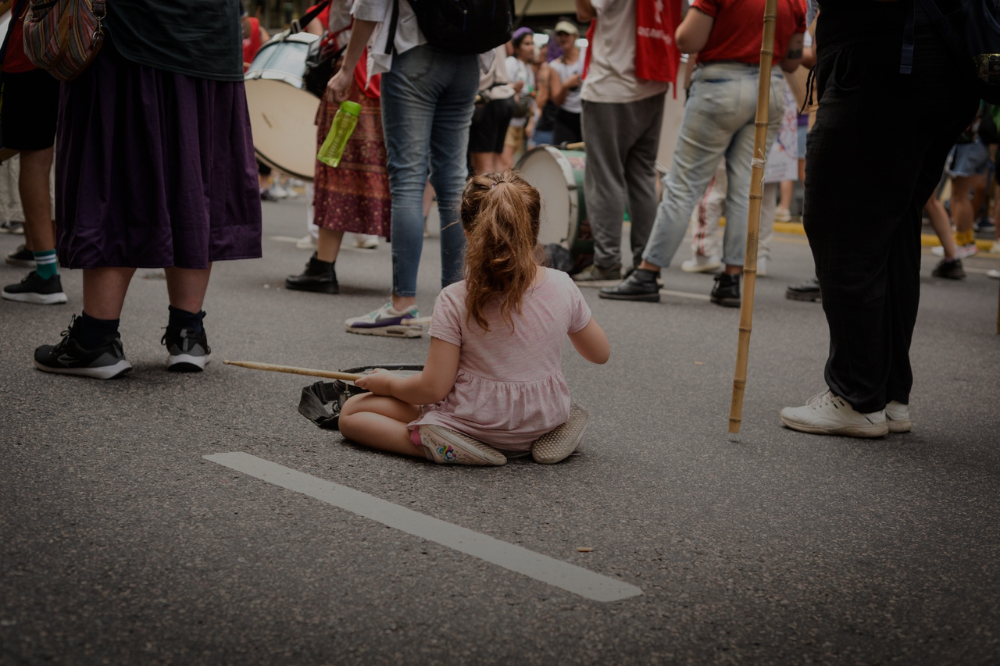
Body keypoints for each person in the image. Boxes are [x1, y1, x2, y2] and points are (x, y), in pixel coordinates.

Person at [778, 1, 979, 437]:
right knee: (892, 223)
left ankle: (856, 395)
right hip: (940, 62)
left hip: (883, 59)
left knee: (842, 222)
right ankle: (887, 393)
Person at [33, 0, 262, 378]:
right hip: (210, 35)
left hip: (130, 34)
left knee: (118, 174)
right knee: (195, 177)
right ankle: (188, 333)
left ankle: (97, 338)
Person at [338, 172, 610, 465]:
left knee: (352, 413)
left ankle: (443, 446)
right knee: (554, 407)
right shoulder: (562, 285)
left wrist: (389, 383)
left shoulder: (456, 298)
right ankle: (557, 429)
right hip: (542, 418)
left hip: (475, 423)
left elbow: (433, 388)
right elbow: (600, 353)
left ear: (468, 233)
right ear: (533, 229)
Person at [599, 0, 805, 306]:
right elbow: (791, 61)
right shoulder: (794, 1)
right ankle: (731, 279)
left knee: (683, 185)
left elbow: (687, 39)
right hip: (770, 87)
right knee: (745, 191)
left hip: (720, 85)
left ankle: (647, 273)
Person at [328, 0, 484, 337]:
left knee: (409, 181)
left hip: (414, 52)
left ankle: (402, 305)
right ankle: (456, 307)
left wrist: (346, 68)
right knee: (453, 181)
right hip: (468, 59)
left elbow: (370, 6)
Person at [286, 0, 390, 294]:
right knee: (396, 173)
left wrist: (344, 69)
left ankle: (323, 266)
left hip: (354, 76)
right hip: (387, 78)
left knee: (336, 165)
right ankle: (403, 281)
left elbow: (363, 15)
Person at [571, 0, 669, 282]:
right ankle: (644, 263)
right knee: (642, 176)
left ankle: (607, 261)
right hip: (652, 82)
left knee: (605, 176)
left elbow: (585, 11)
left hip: (611, 85)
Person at [0, 0, 65, 306]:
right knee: (53, 156)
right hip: (77, 47)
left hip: (32, 51)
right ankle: (49, 257)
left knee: (35, 158)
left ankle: (47, 273)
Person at [469, 45, 516, 175]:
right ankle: (503, 195)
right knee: (496, 162)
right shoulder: (500, 25)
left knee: (484, 167)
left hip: (488, 97)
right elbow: (510, 49)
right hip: (505, 94)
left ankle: (491, 196)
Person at [501, 28, 536, 170]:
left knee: (516, 164)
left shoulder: (528, 68)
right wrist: (513, 88)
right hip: (508, 121)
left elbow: (532, 98)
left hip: (521, 122)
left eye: (532, 43)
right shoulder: (511, 63)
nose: (531, 47)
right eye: (526, 44)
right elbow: (502, 85)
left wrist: (532, 122)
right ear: (517, 47)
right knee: (506, 164)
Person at [548, 21, 585, 145]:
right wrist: (566, 85)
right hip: (565, 118)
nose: (563, 37)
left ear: (575, 36)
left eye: (566, 34)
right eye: (560, 35)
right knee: (563, 153)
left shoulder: (585, 58)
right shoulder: (554, 66)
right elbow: (557, 101)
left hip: (585, 115)